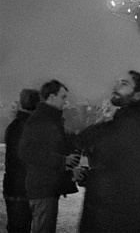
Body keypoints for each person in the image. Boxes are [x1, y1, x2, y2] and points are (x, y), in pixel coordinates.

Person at [76, 70, 140, 232]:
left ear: (138, 95)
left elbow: (100, 154)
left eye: (124, 84)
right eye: (117, 82)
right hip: (112, 207)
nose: (116, 86)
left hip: (114, 213)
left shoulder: (133, 123)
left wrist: (91, 172)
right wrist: (101, 122)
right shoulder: (122, 118)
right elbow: (82, 143)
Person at [18, 80, 79, 233]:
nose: (66, 101)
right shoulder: (41, 120)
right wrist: (63, 160)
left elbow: (53, 147)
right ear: (52, 97)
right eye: (63, 97)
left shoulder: (50, 119)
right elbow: (27, 152)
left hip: (47, 186)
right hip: (42, 188)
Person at [3, 89, 40, 233]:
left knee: (16, 227)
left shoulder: (15, 126)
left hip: (14, 187)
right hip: (25, 188)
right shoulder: (31, 128)